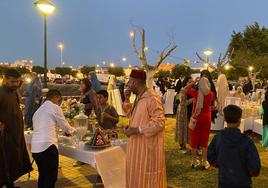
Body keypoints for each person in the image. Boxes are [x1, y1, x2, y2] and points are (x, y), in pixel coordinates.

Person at [123, 69, 166, 188]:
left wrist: (137, 130)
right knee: (136, 177)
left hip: (147, 149)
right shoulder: (139, 97)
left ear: (135, 83)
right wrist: (126, 99)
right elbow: (131, 114)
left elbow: (159, 122)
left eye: (129, 82)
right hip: (136, 147)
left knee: (148, 180)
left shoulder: (152, 98)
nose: (128, 85)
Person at [208, 105, 261, 188]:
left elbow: (210, 156)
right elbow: (255, 166)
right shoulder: (247, 141)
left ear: (225, 119)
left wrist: (220, 164)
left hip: (224, 181)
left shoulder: (218, 137)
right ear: (240, 120)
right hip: (243, 182)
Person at [31, 89, 76, 188]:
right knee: (51, 178)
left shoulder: (38, 110)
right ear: (57, 97)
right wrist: (74, 131)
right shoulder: (54, 107)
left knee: (43, 176)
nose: (59, 104)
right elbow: (65, 126)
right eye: (60, 102)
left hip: (35, 148)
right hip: (48, 146)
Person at [0, 68, 33, 188]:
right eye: (13, 81)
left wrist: (20, 83)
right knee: (4, 162)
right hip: (5, 136)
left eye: (17, 82)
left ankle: (10, 184)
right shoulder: (1, 92)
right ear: (5, 79)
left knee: (13, 161)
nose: (16, 84)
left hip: (16, 133)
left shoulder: (14, 91)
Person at [183, 77, 215, 169]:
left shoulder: (196, 93)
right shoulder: (211, 94)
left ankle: (194, 161)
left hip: (196, 118)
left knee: (194, 138)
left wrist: (193, 82)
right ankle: (204, 161)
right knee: (204, 139)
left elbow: (184, 89)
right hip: (206, 118)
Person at [175, 76, 193, 152]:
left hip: (187, 111)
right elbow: (182, 103)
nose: (191, 83)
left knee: (186, 128)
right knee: (181, 127)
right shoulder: (183, 90)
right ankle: (181, 145)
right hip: (182, 111)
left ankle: (184, 144)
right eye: (189, 82)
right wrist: (191, 100)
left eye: (192, 82)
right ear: (185, 83)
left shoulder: (190, 90)